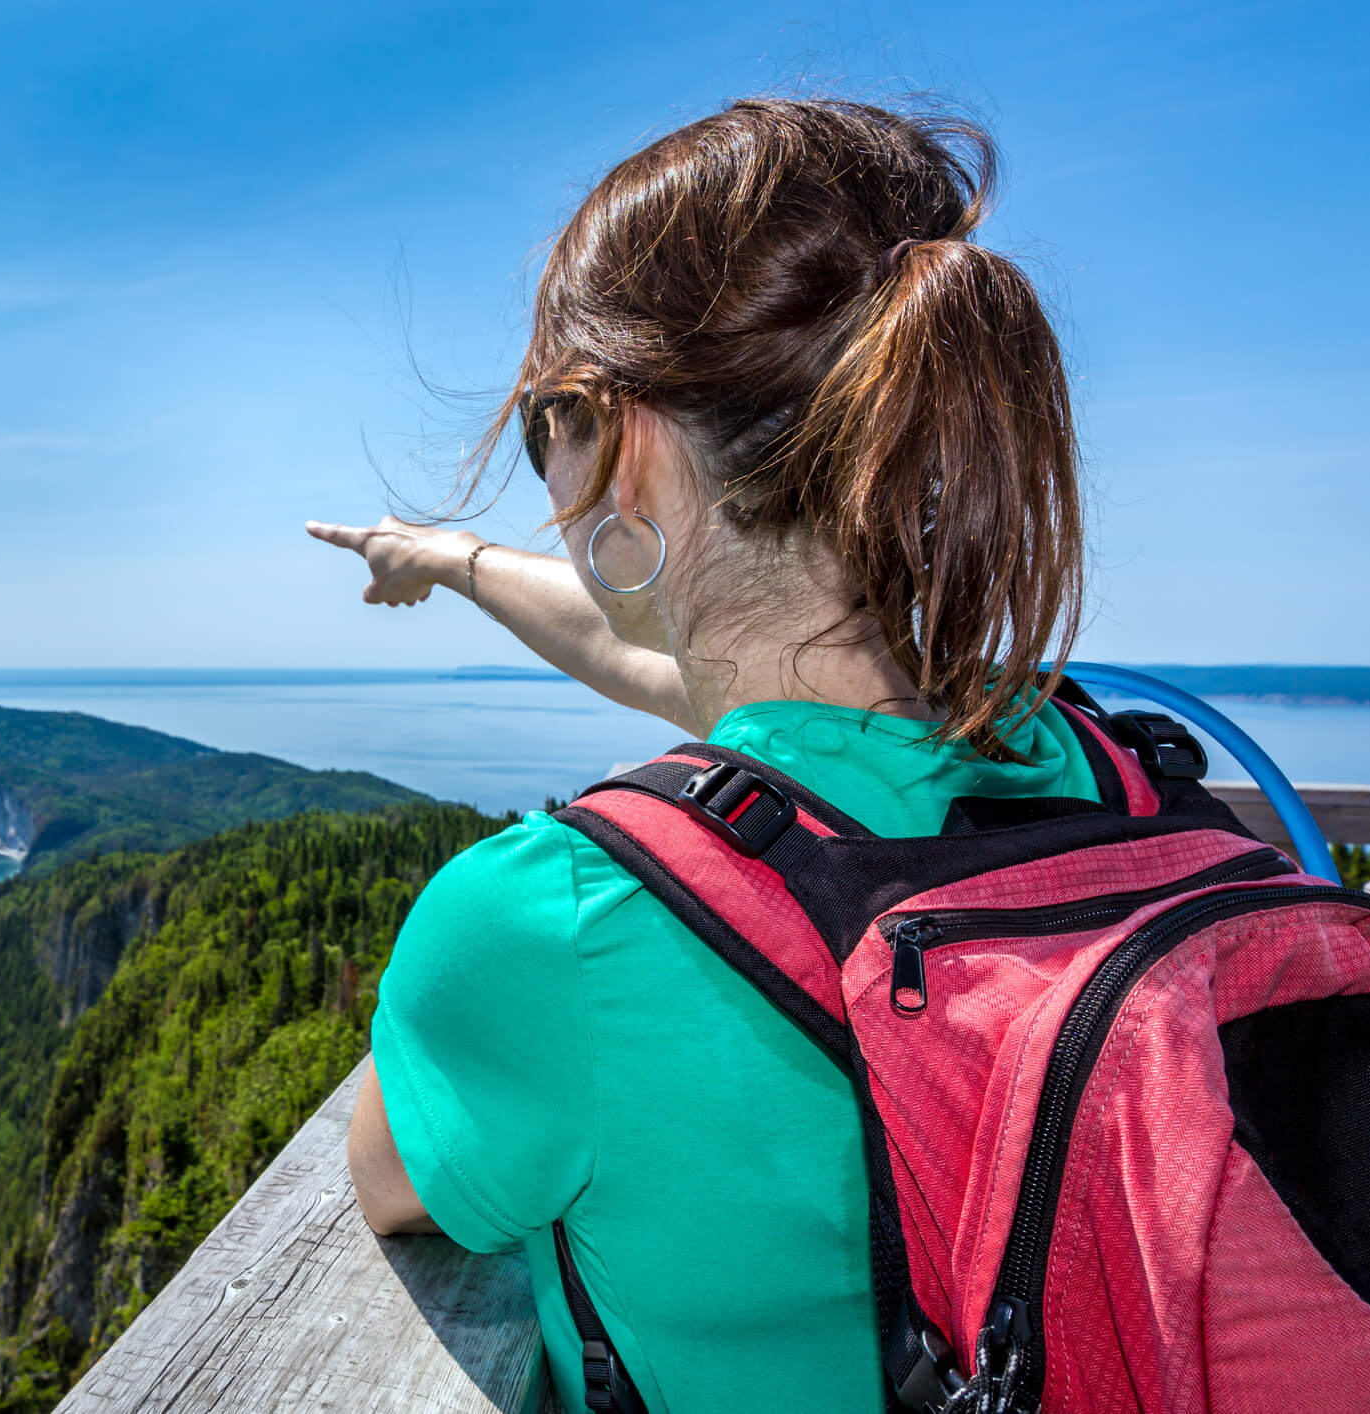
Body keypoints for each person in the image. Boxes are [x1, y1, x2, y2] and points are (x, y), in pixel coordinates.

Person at [309, 98, 1090, 1412]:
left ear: (623, 444)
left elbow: (391, 1182)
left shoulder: (546, 922)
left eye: (543, 421)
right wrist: (451, 562)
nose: (538, 473)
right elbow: (718, 673)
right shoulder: (1075, 757)